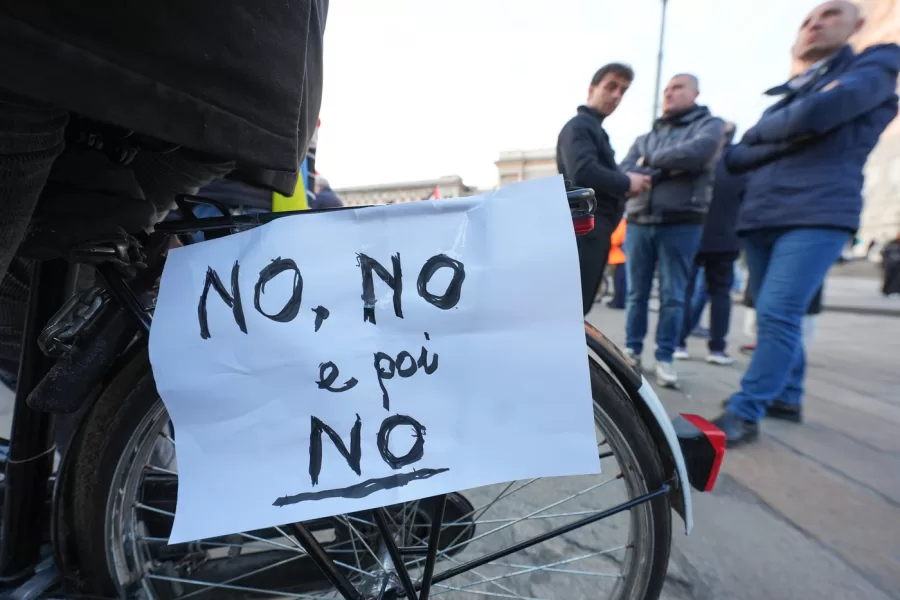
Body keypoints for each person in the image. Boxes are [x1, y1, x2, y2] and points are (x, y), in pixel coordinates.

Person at [0, 2, 328, 388]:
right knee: (70, 301)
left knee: (38, 294)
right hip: (247, 82)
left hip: (47, 38)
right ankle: (119, 433)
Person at [713, 0, 900, 447]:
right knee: (778, 313)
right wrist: (792, 130)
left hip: (817, 214)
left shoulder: (875, 65)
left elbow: (813, 116)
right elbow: (737, 156)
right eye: (807, 20)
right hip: (762, 216)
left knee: (777, 312)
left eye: (830, 14)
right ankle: (788, 396)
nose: (815, 23)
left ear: (858, 24)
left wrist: (776, 131)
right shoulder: (794, 88)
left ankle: (746, 409)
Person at [619, 74, 726, 387]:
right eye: (666, 89)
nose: (669, 93)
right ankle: (632, 350)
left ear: (695, 93)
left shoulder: (709, 125)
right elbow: (625, 171)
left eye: (677, 88)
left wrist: (649, 162)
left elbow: (697, 153)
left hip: (681, 221)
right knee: (636, 292)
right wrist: (670, 166)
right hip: (640, 220)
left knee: (673, 294)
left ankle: (665, 355)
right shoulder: (645, 136)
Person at [556, 63, 652, 316]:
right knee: (573, 309)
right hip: (586, 227)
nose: (617, 96)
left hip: (594, 228)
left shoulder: (594, 130)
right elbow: (583, 172)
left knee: (578, 307)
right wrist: (627, 182)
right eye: (611, 87)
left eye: (623, 91)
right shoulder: (580, 126)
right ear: (592, 88)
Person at [675, 122, 747, 365]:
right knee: (720, 294)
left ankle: (678, 342)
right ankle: (717, 348)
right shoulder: (739, 165)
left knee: (685, 291)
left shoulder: (700, 161)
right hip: (726, 237)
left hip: (694, 233)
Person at [608, 219, 628, 309]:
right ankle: (618, 300)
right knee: (620, 281)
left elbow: (616, 239)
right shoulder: (625, 222)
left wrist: (608, 240)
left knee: (619, 282)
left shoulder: (623, 222)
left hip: (620, 257)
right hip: (621, 257)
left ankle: (618, 302)